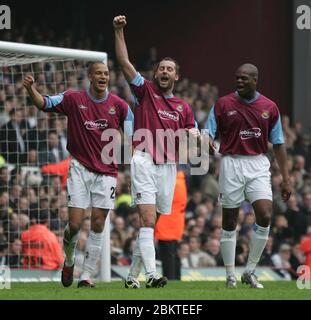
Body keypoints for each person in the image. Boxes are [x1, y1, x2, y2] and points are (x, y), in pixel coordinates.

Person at [23, 61, 134, 288]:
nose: (103, 77)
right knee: (74, 225)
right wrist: (30, 89)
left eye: (106, 74)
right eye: (99, 73)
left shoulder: (120, 106)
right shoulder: (74, 99)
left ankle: (87, 275)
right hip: (80, 169)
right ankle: (70, 259)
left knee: (97, 223)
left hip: (107, 173)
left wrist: (128, 158)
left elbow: (134, 134)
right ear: (90, 77)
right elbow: (43, 103)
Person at [113, 15, 199, 288]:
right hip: (144, 160)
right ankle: (152, 275)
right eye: (161, 68)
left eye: (169, 69)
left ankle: (131, 277)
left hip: (168, 167)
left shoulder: (183, 107)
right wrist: (118, 32)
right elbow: (125, 64)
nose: (164, 71)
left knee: (151, 225)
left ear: (176, 75)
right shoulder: (144, 91)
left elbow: (192, 133)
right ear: (156, 73)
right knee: (148, 219)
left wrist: (196, 137)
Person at [206, 63, 292, 288]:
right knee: (229, 221)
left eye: (244, 78)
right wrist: (205, 141)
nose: (239, 81)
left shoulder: (269, 107)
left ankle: (250, 271)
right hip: (231, 163)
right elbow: (208, 132)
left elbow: (279, 144)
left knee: (264, 215)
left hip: (258, 163)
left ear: (255, 80)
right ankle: (230, 275)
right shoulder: (223, 104)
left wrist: (286, 178)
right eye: (237, 78)